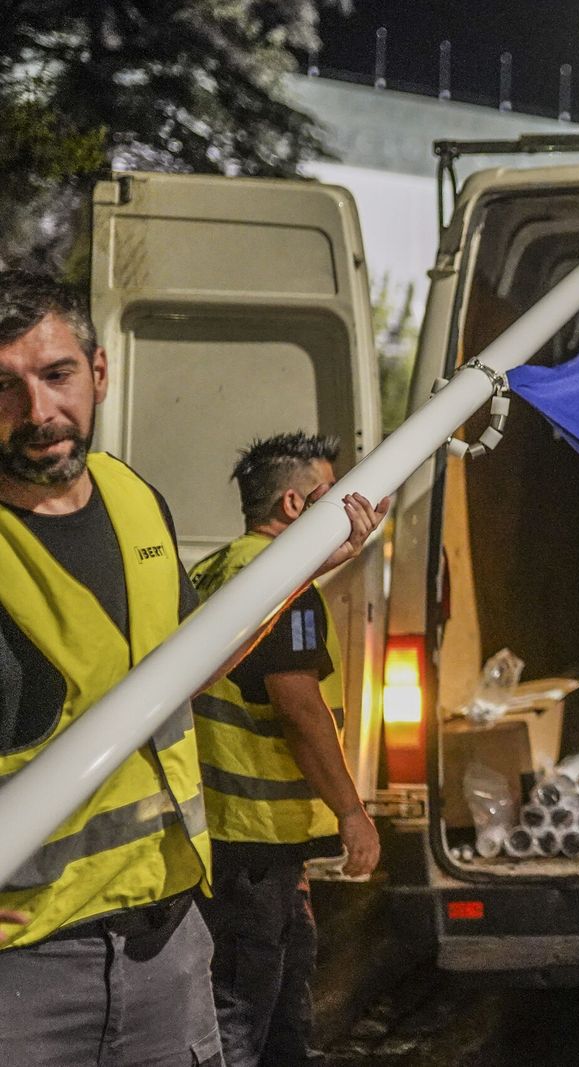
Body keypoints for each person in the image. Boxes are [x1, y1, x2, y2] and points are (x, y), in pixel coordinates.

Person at [0, 269, 383, 1065]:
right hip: (26, 972)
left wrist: (310, 567)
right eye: (3, 387)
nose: (38, 412)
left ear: (98, 372)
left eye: (57, 374)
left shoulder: (135, 499)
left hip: (166, 943)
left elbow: (190, 665)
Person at [191, 431, 381, 1067]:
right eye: (333, 499)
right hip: (256, 839)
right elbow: (300, 709)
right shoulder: (284, 588)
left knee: (263, 1005)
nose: (348, 511)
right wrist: (352, 811)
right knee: (246, 1015)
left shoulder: (220, 568)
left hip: (224, 833)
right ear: (297, 506)